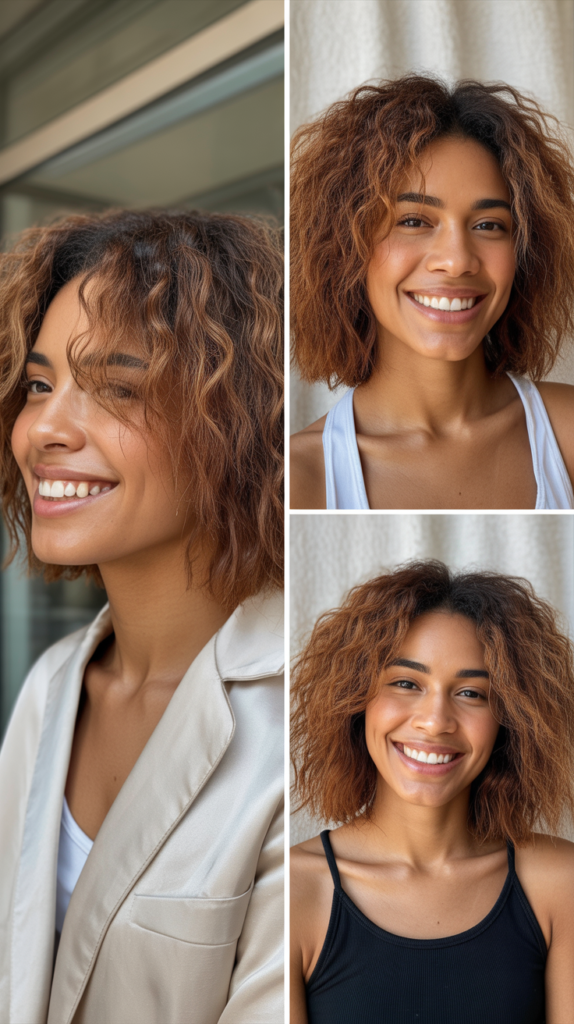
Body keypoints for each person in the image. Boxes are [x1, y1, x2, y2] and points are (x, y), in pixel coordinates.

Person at [0, 209, 284, 1024]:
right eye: (42, 383)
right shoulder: (53, 687)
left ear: (234, 423)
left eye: (118, 387)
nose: (45, 429)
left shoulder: (300, 722)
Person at [290, 560, 574, 1023]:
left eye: (472, 693)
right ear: (355, 700)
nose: (435, 720)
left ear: (511, 721)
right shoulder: (294, 891)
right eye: (406, 683)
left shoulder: (561, 884)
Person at [290, 75, 574, 509]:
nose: (457, 259)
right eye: (414, 221)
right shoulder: (298, 480)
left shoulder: (567, 432)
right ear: (344, 247)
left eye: (489, 225)